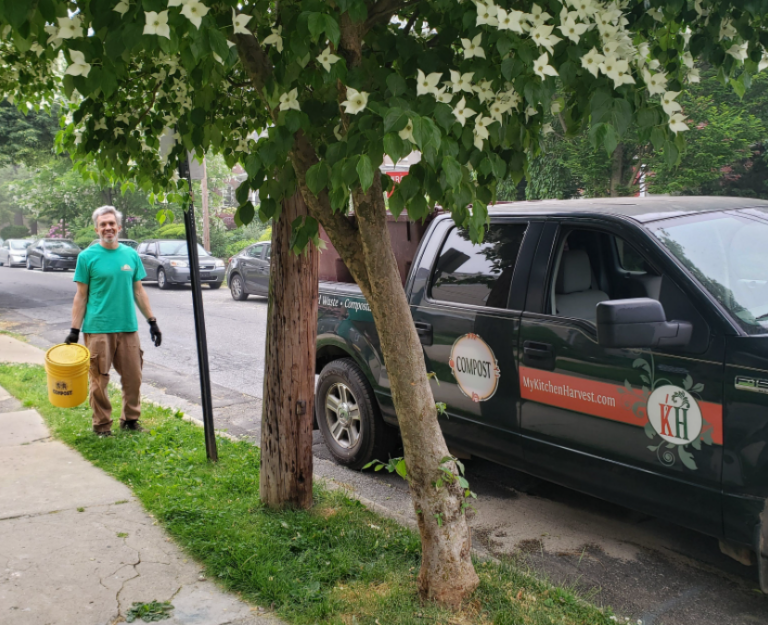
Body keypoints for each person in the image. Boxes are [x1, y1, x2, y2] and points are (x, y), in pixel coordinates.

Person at [66, 206, 162, 437]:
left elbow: (139, 291)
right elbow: (81, 295)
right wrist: (74, 329)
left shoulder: (131, 255)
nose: (108, 228)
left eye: (111, 224)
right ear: (96, 228)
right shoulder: (87, 257)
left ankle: (130, 420)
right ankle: (102, 425)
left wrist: (152, 321)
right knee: (99, 380)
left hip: (128, 327)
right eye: (103, 224)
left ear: (119, 227)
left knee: (134, 377)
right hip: (98, 327)